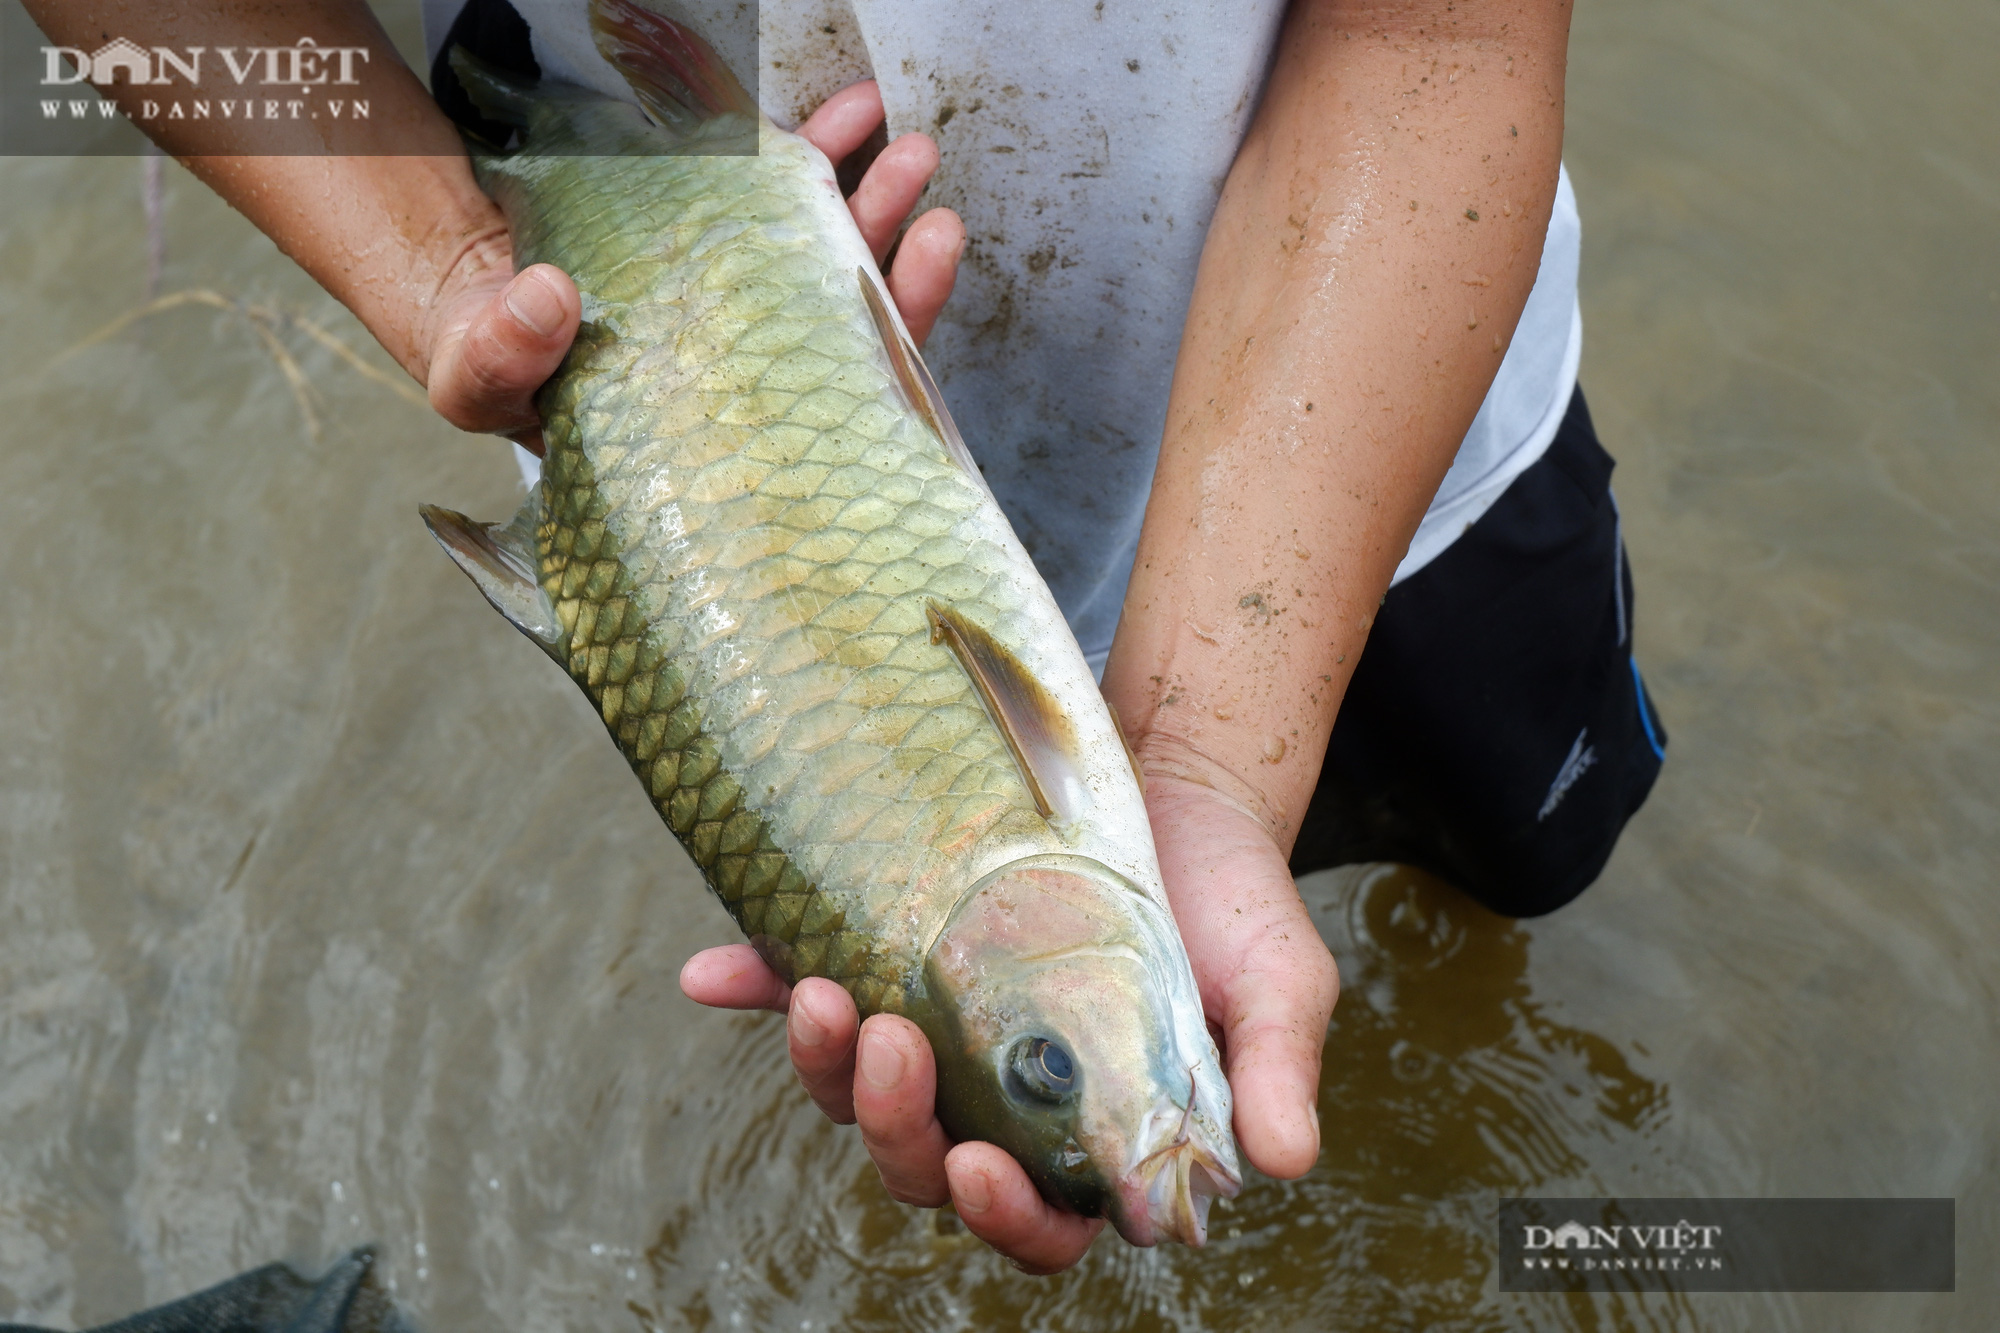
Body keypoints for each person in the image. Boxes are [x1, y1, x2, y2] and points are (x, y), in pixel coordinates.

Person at [27, 0, 1662, 1275]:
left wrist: (1217, 751)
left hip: (1382, 389)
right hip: (698, 447)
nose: (1116, 1119)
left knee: (1515, 853)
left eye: (1051, 1066)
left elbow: (1439, 34)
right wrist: (444, 261)